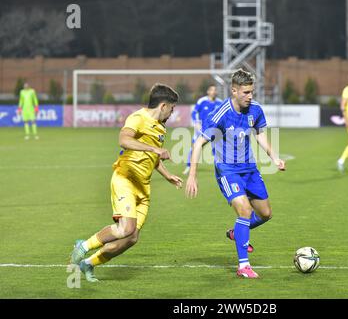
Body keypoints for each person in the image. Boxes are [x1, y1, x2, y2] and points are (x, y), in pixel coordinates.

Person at [69, 84, 183, 282]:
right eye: (171, 108)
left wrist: (167, 175)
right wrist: (155, 150)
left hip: (143, 188)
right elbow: (124, 140)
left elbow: (151, 158)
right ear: (163, 105)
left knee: (131, 238)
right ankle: (84, 246)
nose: (172, 113)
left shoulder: (160, 127)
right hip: (125, 179)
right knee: (125, 229)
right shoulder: (138, 118)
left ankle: (88, 264)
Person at [185, 69, 286, 279]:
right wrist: (192, 175)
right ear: (234, 90)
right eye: (246, 92)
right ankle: (243, 266)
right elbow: (199, 143)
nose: (250, 96)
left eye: (252, 92)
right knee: (244, 211)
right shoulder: (220, 114)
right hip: (228, 170)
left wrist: (274, 157)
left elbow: (260, 135)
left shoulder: (255, 110)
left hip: (250, 169)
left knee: (266, 214)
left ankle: (237, 233)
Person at [183, 85, 222, 175]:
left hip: (215, 130)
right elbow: (194, 112)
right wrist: (197, 123)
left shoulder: (220, 103)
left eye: (215, 90)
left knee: (218, 148)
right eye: (212, 90)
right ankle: (189, 166)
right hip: (201, 129)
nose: (214, 91)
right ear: (208, 92)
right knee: (195, 147)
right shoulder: (202, 101)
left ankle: (220, 167)